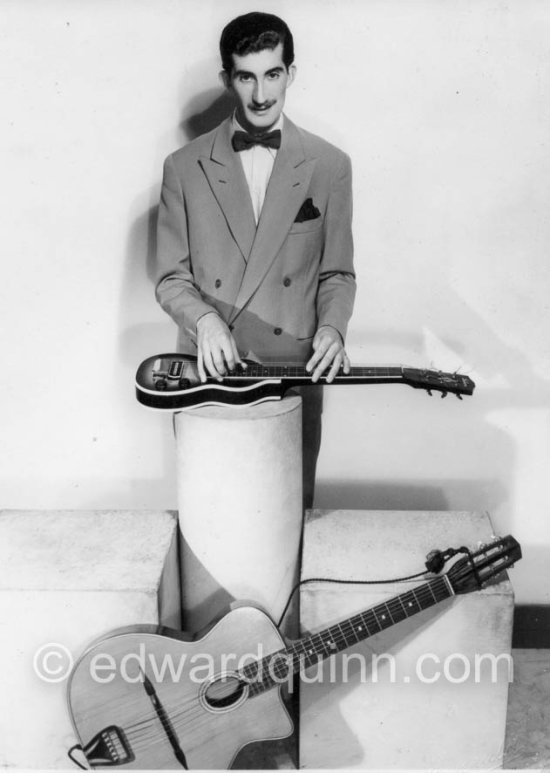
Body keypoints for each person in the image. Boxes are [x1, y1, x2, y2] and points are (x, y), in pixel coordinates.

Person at [154, 11, 356, 507]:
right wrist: (204, 322)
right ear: (227, 79)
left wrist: (332, 328)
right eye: (246, 76)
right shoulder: (184, 167)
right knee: (213, 515)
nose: (261, 95)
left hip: (293, 371)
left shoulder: (330, 166)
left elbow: (337, 273)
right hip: (210, 370)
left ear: (291, 72)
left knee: (286, 518)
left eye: (272, 74)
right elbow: (171, 279)